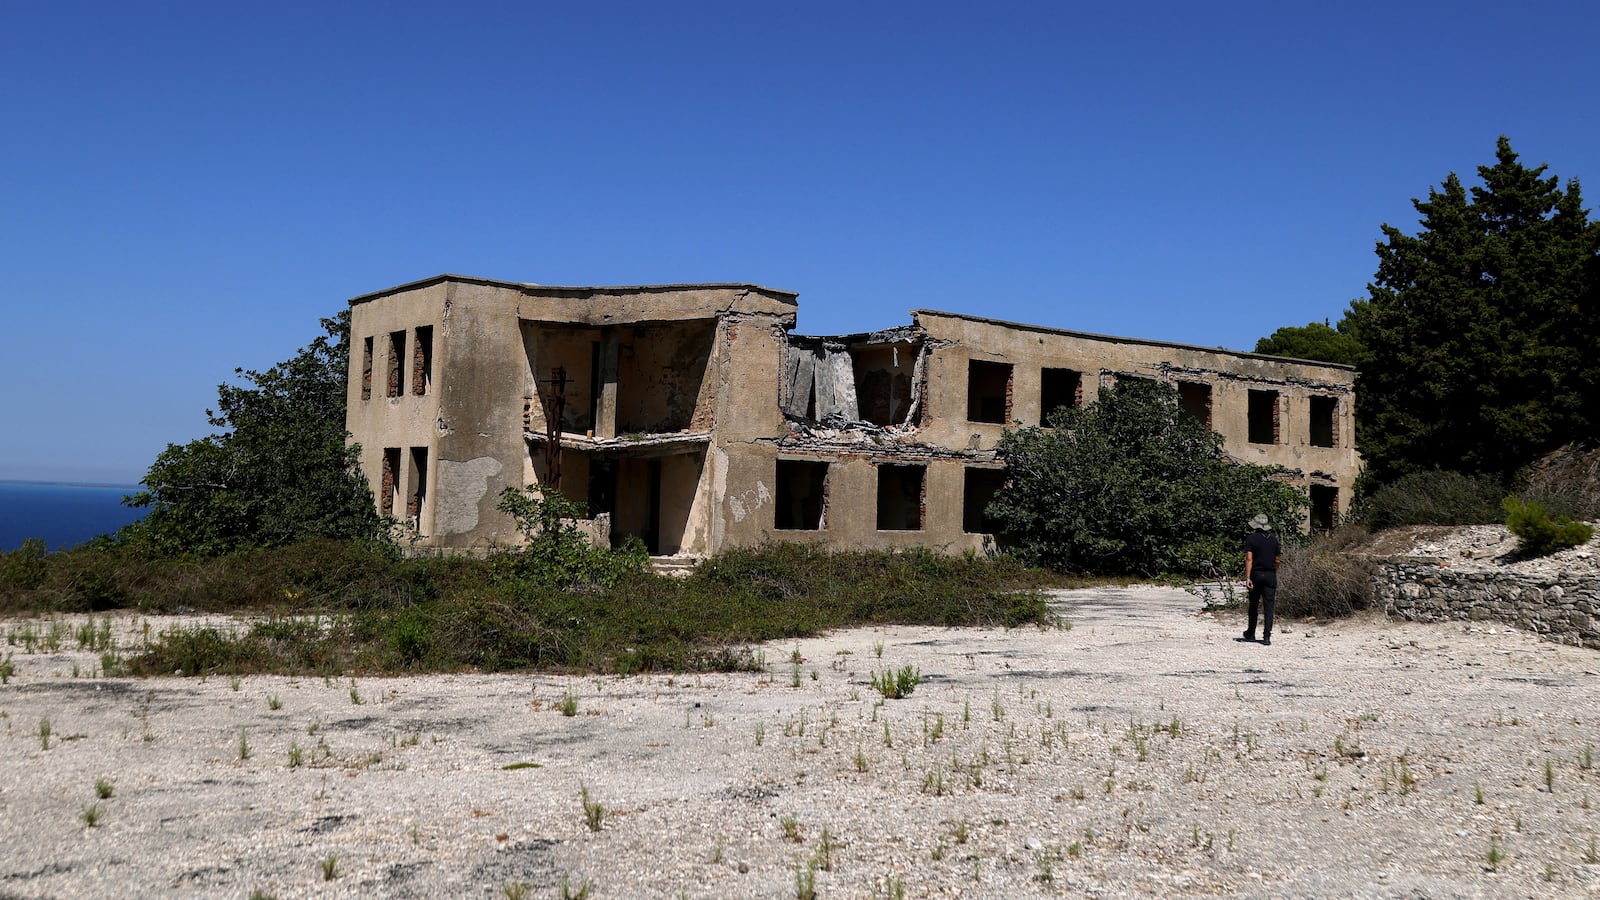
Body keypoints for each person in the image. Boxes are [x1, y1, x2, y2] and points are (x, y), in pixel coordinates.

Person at [1239, 513, 1281, 646]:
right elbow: (1277, 560)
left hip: (1256, 574)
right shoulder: (1274, 540)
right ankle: (1267, 636)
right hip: (1270, 575)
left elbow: (1249, 559)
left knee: (1253, 605)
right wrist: (1274, 571)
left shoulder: (1251, 539)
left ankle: (1251, 633)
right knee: (1269, 606)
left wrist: (1247, 577)